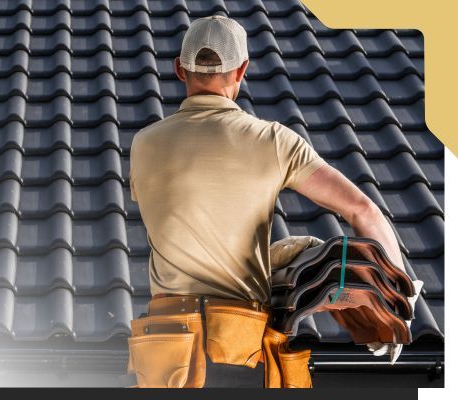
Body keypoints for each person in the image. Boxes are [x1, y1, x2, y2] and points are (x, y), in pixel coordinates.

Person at [128, 15, 406, 387]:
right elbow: (363, 210)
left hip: (163, 357)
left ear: (180, 70)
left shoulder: (144, 143)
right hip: (237, 351)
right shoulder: (273, 140)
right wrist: (398, 306)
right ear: (242, 70)